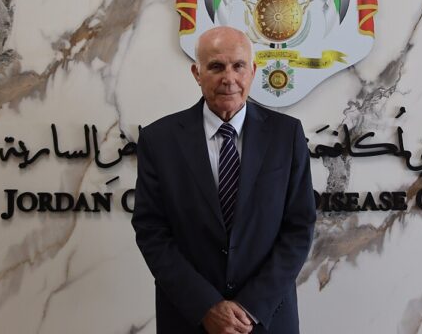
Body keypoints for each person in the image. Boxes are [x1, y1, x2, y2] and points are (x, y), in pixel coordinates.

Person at [132, 26, 316, 334]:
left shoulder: (287, 135)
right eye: (216, 67)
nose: (228, 78)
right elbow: (152, 231)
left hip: (266, 319)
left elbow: (299, 227)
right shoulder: (158, 140)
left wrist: (250, 306)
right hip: (189, 319)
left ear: (253, 71)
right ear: (197, 73)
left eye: (238, 66)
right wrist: (206, 306)